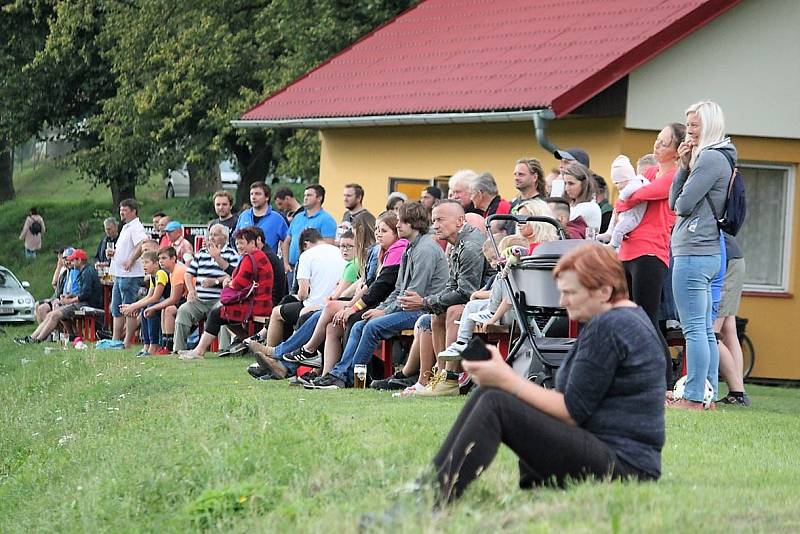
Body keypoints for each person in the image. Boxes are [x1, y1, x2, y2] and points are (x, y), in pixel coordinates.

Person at [429, 243, 665, 504]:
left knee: (496, 402)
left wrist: (506, 379)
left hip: (623, 466)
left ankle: (436, 496)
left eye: (570, 293)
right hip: (627, 460)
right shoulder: (624, 319)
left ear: (604, 291)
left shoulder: (609, 327)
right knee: (490, 393)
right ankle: (431, 486)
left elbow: (571, 411)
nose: (562, 302)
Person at [297, 202, 448, 389]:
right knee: (361, 324)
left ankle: (346, 377)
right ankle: (339, 374)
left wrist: (383, 313)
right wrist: (381, 309)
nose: (398, 225)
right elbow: (399, 289)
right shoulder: (411, 247)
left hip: (424, 309)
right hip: (409, 306)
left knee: (372, 326)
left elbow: (413, 296)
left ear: (414, 223)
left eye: (401, 222)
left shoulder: (425, 249)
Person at [668, 101, 734, 410]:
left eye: (694, 125)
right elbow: (675, 202)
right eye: (689, 125)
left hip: (694, 251)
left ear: (709, 126)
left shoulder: (709, 159)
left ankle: (694, 396)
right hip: (709, 251)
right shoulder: (721, 157)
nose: (689, 132)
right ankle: (706, 394)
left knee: (693, 328)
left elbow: (680, 206)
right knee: (704, 328)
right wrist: (683, 167)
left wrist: (688, 170)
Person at [614, 123, 686, 390]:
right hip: (628, 250)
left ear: (677, 151)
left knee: (647, 318)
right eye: (657, 140)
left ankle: (665, 382)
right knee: (628, 316)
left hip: (651, 253)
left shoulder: (674, 177)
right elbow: (623, 200)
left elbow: (638, 194)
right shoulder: (650, 171)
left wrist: (628, 197)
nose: (657, 146)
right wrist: (627, 198)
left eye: (664, 143)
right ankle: (634, 377)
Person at [404, 200, 488, 396]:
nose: (435, 225)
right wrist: (431, 304)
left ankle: (451, 379)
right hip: (476, 301)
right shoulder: (456, 243)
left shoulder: (470, 246)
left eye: (440, 220)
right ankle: (440, 376)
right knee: (437, 314)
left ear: (460, 221)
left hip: (492, 302)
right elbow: (452, 285)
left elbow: (467, 292)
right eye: (433, 220)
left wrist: (425, 302)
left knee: (454, 310)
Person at [177, 227, 274, 360]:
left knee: (217, 314)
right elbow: (240, 278)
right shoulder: (257, 255)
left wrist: (227, 283)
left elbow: (239, 283)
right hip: (259, 302)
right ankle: (250, 343)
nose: (239, 246)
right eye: (237, 243)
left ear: (252, 243)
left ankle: (199, 351)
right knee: (220, 313)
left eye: (242, 243)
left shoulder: (249, 257)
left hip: (255, 304)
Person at [173, 224, 240, 352]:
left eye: (215, 235)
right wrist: (191, 290)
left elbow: (234, 275)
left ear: (224, 237)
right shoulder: (202, 253)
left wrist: (215, 281)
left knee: (223, 310)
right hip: (200, 300)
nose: (212, 238)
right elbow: (188, 273)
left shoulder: (232, 254)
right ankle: (178, 349)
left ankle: (223, 350)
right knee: (183, 310)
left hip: (220, 299)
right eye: (210, 235)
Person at [14, 249, 102, 344]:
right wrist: (69, 296)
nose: (71, 262)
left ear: (79, 260)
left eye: (73, 260)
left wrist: (68, 301)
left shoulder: (87, 272)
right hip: (81, 302)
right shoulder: (84, 271)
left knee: (54, 315)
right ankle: (33, 337)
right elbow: (82, 292)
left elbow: (85, 295)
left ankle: (37, 340)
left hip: (87, 304)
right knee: (51, 314)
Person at [108, 199, 149, 348]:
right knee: (116, 308)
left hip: (130, 275)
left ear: (133, 211)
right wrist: (115, 254)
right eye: (120, 210)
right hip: (119, 274)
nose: (121, 213)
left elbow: (143, 243)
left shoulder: (136, 227)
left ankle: (127, 342)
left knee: (128, 309)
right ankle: (115, 340)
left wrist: (132, 259)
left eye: (124, 210)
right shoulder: (126, 227)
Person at [715, 232, 750, 406]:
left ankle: (737, 391)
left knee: (710, 333)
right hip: (733, 259)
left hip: (726, 261)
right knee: (729, 330)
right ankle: (738, 393)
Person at [118, 251, 169, 356]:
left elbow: (155, 297)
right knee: (144, 309)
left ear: (156, 264)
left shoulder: (161, 274)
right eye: (143, 263)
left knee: (150, 308)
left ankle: (154, 345)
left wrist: (134, 306)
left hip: (167, 304)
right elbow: (149, 296)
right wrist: (132, 306)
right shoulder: (152, 277)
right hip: (159, 302)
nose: (144, 266)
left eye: (146, 262)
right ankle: (146, 345)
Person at [282, 184, 338, 278]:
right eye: (305, 195)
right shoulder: (297, 217)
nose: (305, 198)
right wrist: (286, 264)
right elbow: (287, 242)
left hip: (312, 271)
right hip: (292, 268)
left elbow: (328, 248)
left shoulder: (326, 219)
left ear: (319, 198)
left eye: (309, 195)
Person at [597, 156, 647, 249]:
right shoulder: (630, 185)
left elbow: (625, 195)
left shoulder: (635, 184)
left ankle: (613, 245)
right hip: (624, 214)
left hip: (632, 217)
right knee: (614, 217)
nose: (617, 186)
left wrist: (621, 199)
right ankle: (609, 233)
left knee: (619, 229)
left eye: (618, 183)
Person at [235, 181, 288, 254]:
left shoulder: (277, 219)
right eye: (251, 194)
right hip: (245, 262)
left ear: (267, 197)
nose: (253, 197)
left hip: (266, 262)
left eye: (257, 194)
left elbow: (288, 241)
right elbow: (234, 238)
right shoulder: (244, 216)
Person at [561, 161, 601, 232]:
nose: (566, 188)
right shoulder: (573, 205)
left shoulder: (589, 207)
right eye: (565, 183)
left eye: (571, 183)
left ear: (584, 184)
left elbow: (559, 220)